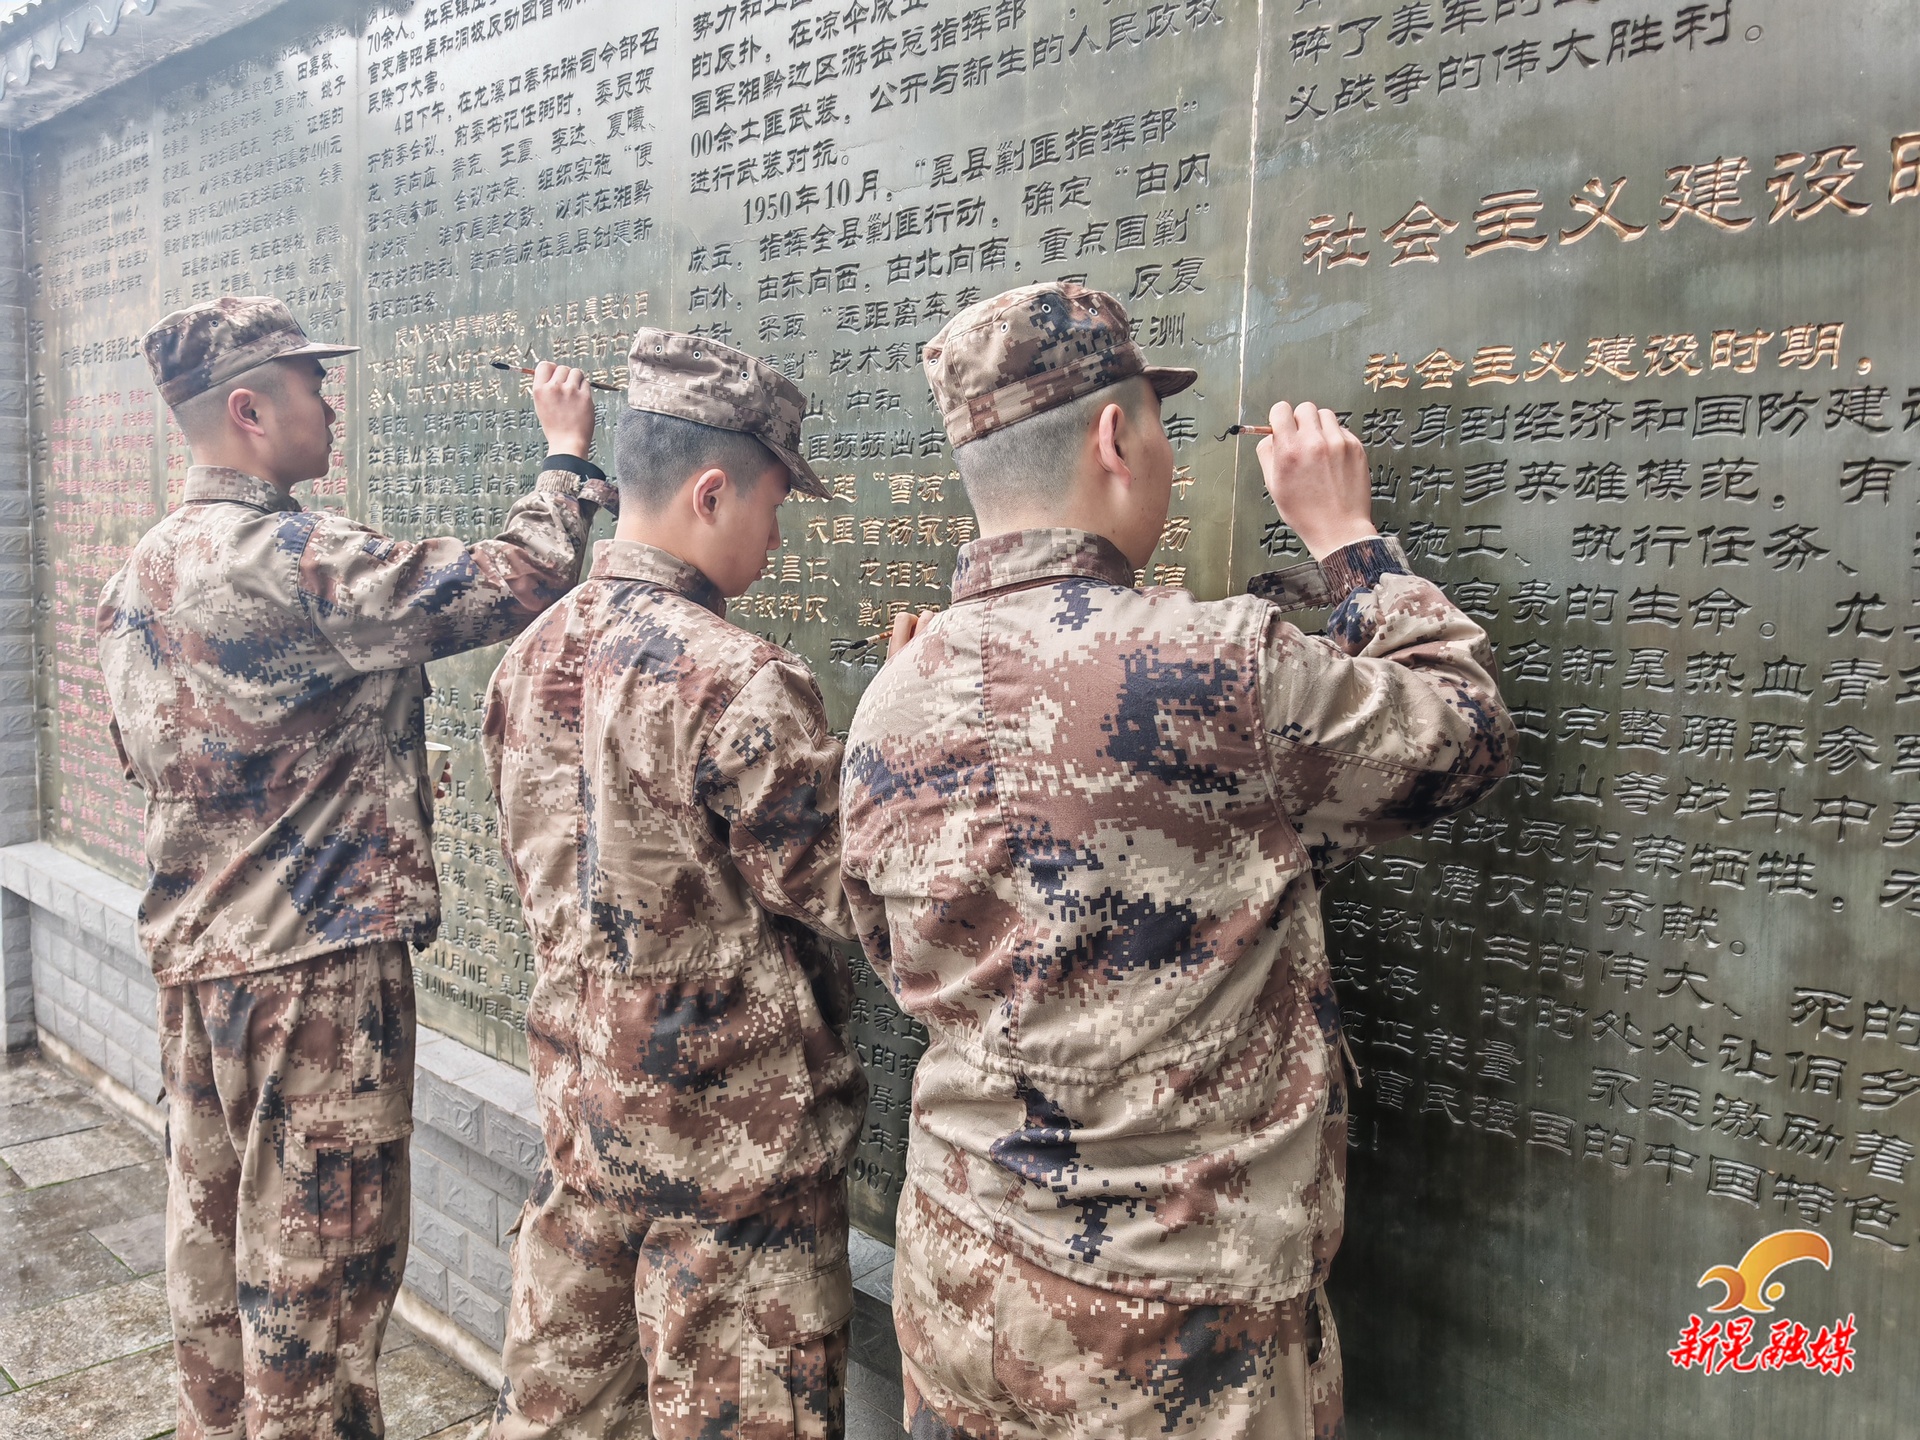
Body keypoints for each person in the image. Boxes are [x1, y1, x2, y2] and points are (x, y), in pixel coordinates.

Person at [839, 282, 1516, 1439]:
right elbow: (1462, 734)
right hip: (1174, 1333)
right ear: (1116, 437)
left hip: (957, 1283)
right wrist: (1349, 545)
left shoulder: (891, 696)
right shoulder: (1219, 666)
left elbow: (890, 944)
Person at [98, 295, 617, 1440]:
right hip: (314, 977)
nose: (331, 405)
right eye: (311, 385)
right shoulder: (289, 560)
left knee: (214, 1267)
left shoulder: (142, 570)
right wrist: (565, 457)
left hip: (200, 969)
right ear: (248, 410)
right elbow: (511, 579)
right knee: (317, 1295)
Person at [482, 329, 869, 1440]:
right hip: (737, 1180)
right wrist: (895, 747)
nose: (777, 537)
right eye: (773, 505)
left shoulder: (529, 655)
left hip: (586, 1135)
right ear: (710, 493)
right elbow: (848, 893)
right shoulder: (739, 679)